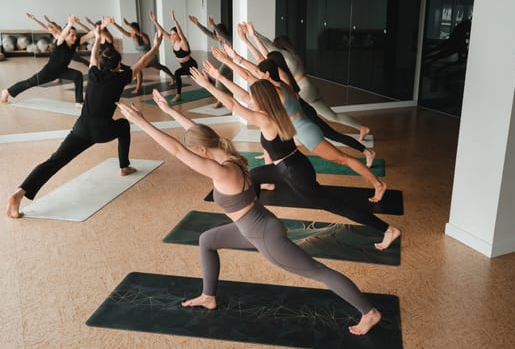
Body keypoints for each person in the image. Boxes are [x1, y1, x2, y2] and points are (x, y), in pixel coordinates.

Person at [115, 88, 382, 336]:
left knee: (319, 271)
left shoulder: (220, 171)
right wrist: (170, 110)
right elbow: (195, 137)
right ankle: (209, 296)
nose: (194, 154)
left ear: (202, 151)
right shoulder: (232, 158)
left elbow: (177, 149)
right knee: (207, 240)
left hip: (264, 236)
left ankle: (369, 312)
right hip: (256, 225)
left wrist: (142, 122)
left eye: (196, 151)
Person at [192, 64, 400, 251]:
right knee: (252, 176)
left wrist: (209, 84)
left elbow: (234, 105)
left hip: (294, 173)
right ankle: (253, 223)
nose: (250, 99)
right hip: (292, 166)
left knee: (337, 205)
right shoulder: (276, 111)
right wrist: (219, 75)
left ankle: (387, 229)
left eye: (253, 97)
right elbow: (240, 98)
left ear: (261, 99)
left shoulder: (265, 119)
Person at [5, 24, 164, 219]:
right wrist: (156, 46)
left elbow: (93, 57)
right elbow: (142, 62)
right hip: (104, 130)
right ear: (117, 65)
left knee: (55, 161)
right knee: (123, 125)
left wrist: (97, 38)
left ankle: (18, 194)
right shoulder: (121, 77)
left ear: (102, 64)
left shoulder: (94, 74)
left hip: (81, 128)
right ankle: (124, 166)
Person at [212, 45, 387, 202]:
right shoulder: (284, 85)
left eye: (261, 73)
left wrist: (228, 61)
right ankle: (268, 179)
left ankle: (378, 185)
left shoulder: (273, 90)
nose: (257, 75)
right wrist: (232, 59)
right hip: (303, 127)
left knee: (344, 159)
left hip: (305, 132)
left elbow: (248, 75)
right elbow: (253, 73)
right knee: (269, 146)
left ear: (265, 75)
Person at [249, 25, 371, 142]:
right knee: (332, 116)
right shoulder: (294, 56)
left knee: (290, 112)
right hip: (310, 87)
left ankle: (298, 139)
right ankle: (361, 127)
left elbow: (269, 48)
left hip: (303, 88)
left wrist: (254, 34)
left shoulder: (286, 56)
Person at [1, 15, 93, 107]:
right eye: (72, 35)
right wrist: (70, 23)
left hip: (62, 71)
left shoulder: (74, 43)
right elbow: (62, 35)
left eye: (75, 35)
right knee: (29, 83)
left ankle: (79, 102)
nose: (75, 37)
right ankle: (7, 91)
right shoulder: (60, 42)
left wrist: (101, 27)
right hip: (49, 71)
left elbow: (89, 35)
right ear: (66, 36)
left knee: (77, 75)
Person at [111, 16, 176, 94]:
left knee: (139, 69)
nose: (130, 31)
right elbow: (122, 30)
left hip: (150, 58)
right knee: (160, 67)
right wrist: (114, 23)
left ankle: (138, 88)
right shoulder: (133, 36)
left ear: (136, 29)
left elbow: (138, 32)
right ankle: (173, 77)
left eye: (131, 29)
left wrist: (128, 24)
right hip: (143, 58)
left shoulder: (144, 36)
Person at [149, 10, 198, 102]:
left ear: (178, 35)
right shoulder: (173, 41)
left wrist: (174, 20)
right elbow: (162, 31)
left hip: (191, 65)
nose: (172, 36)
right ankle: (179, 95)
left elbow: (180, 33)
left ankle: (178, 95)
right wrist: (154, 21)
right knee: (198, 77)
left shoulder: (183, 43)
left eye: (174, 34)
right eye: (171, 34)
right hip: (184, 66)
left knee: (178, 73)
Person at [188, 14, 233, 108]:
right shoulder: (220, 40)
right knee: (220, 79)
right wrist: (197, 24)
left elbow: (222, 34)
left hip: (233, 64)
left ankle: (222, 99)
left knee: (219, 77)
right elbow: (208, 33)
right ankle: (221, 99)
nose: (216, 36)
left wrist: (214, 25)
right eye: (216, 35)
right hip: (226, 63)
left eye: (218, 34)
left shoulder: (229, 40)